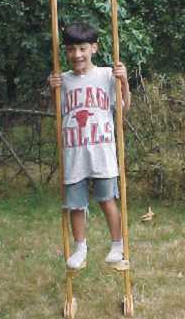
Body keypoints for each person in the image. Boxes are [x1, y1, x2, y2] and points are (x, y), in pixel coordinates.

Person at [49, 22, 131, 270]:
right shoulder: (62, 80)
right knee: (75, 204)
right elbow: (57, 114)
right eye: (72, 49)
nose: (77, 55)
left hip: (102, 153)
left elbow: (124, 108)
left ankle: (117, 244)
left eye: (83, 48)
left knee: (107, 199)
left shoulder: (107, 75)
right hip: (74, 155)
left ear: (93, 48)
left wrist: (124, 82)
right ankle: (80, 247)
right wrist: (52, 90)